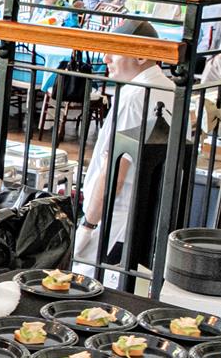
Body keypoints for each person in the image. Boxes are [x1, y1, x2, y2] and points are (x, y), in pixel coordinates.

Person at [73, 20, 176, 283]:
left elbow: (115, 171)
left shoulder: (134, 97)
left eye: (115, 51)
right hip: (145, 216)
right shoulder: (171, 89)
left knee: (86, 285)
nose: (105, 58)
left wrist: (88, 224)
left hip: (114, 218)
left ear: (140, 56)